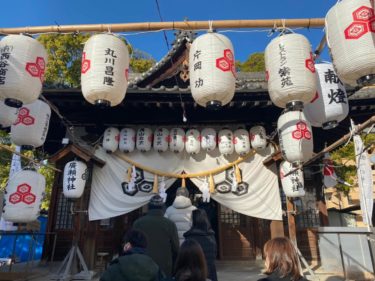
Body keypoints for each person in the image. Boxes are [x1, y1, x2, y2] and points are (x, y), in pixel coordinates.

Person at [133, 194, 179, 278]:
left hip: (142, 265)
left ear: (149, 207)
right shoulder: (170, 224)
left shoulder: (138, 223)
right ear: (162, 208)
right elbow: (176, 248)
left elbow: (132, 246)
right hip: (164, 267)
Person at [183, 209, 218, 281]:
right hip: (210, 273)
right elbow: (214, 254)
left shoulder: (189, 237)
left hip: (194, 274)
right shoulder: (211, 235)